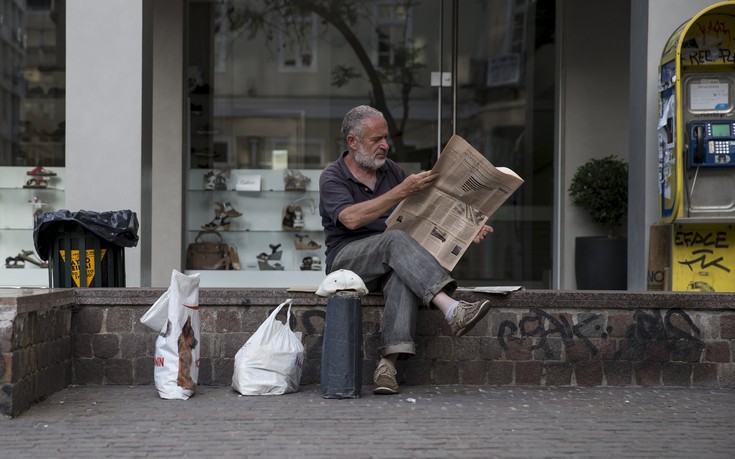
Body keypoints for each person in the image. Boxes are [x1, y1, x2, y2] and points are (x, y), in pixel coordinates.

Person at [319, 105, 495, 395]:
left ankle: (386, 366)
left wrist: (467, 228)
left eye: (386, 138)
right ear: (353, 142)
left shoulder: (392, 172)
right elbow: (350, 219)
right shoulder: (332, 176)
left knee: (402, 273)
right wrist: (401, 191)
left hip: (388, 260)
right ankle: (450, 309)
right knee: (395, 240)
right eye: (376, 139)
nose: (385, 145)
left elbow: (424, 213)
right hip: (346, 263)